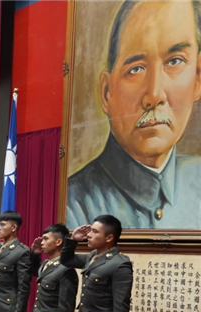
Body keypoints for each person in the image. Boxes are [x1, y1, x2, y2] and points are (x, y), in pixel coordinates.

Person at [67, 0, 201, 230]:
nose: (155, 94)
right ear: (107, 93)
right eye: (136, 69)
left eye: (175, 61)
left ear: (197, 77)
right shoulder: (73, 208)